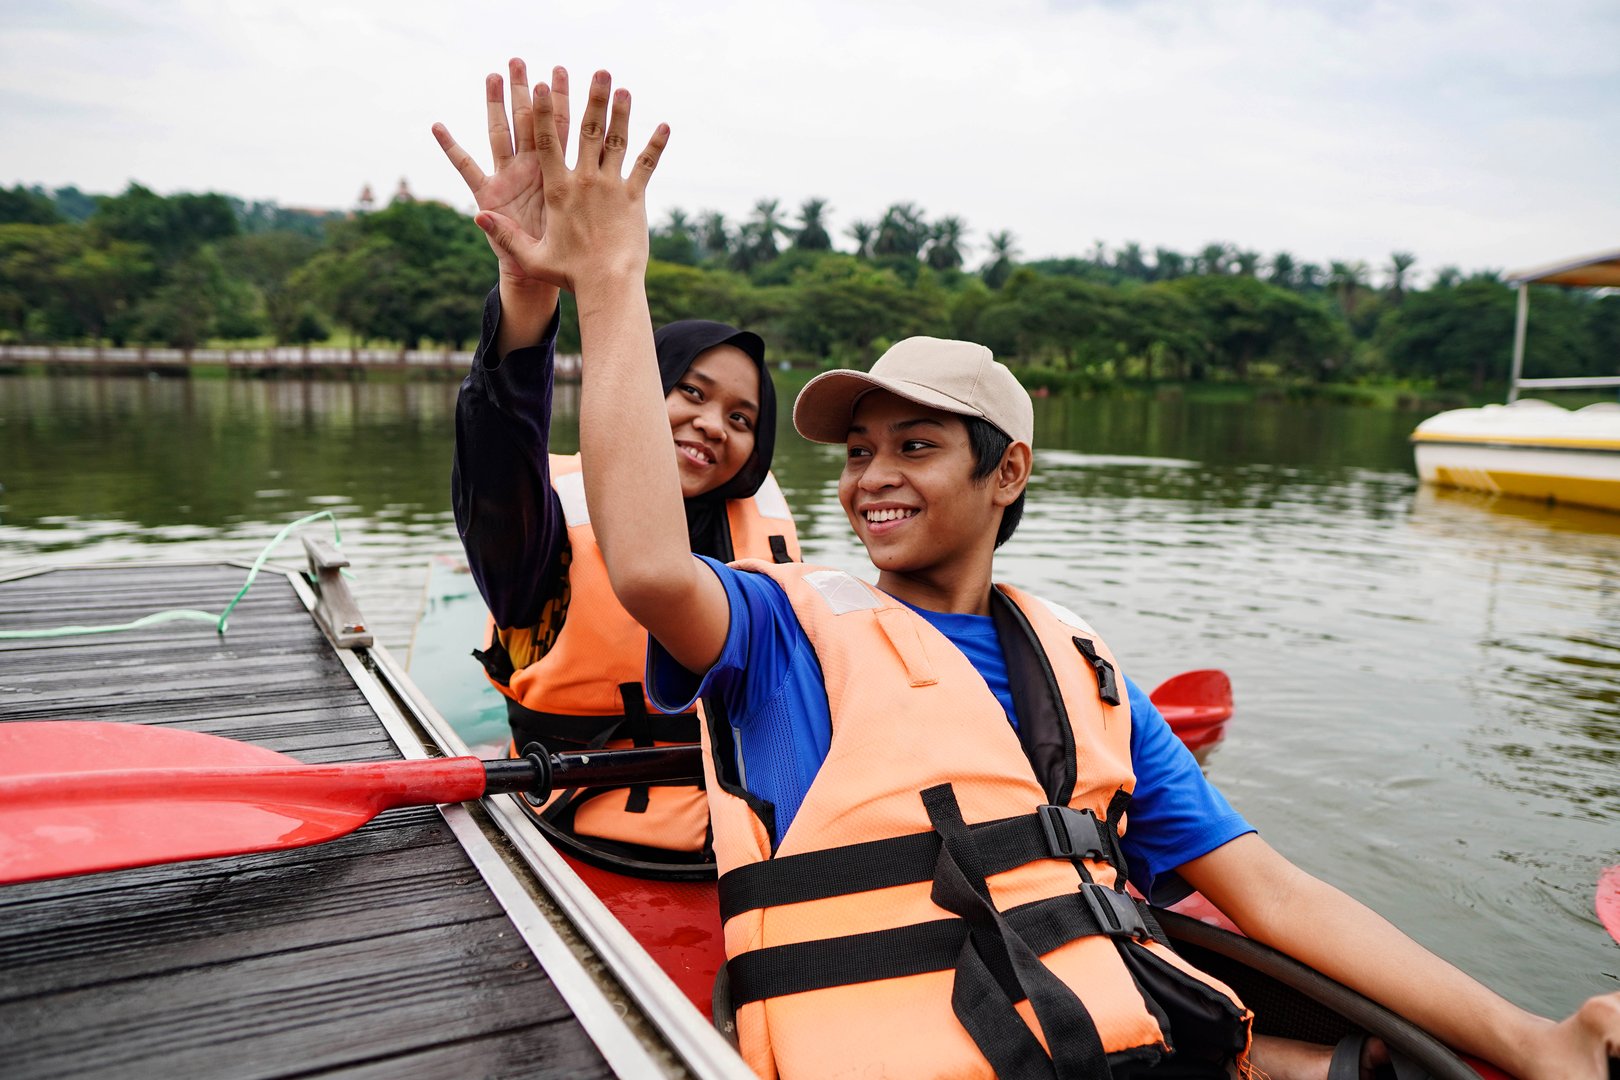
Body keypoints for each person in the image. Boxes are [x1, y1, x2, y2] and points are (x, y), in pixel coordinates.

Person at [468, 66, 1620, 1080]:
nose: (873, 479)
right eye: (859, 453)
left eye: (915, 448)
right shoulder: (779, 633)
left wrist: (1531, 1036)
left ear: (1006, 472)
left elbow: (1272, 892)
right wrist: (611, 282)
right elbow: (648, 560)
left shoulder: (1087, 672)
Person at [434, 61, 800, 873]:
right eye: (690, 393)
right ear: (641, 385)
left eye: (742, 419)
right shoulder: (546, 532)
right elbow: (496, 471)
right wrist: (527, 297)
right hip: (579, 836)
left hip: (747, 848)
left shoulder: (764, 539)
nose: (712, 426)